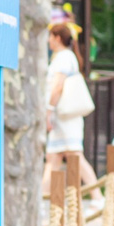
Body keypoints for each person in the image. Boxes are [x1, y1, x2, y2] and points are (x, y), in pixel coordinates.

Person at [45, 18, 96, 193]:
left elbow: (57, 86)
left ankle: (96, 195)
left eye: (50, 36)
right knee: (54, 157)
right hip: (61, 116)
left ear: (57, 38)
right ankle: (42, 199)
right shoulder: (65, 57)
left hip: (64, 115)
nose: (48, 40)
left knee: (73, 155)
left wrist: (48, 110)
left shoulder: (64, 58)